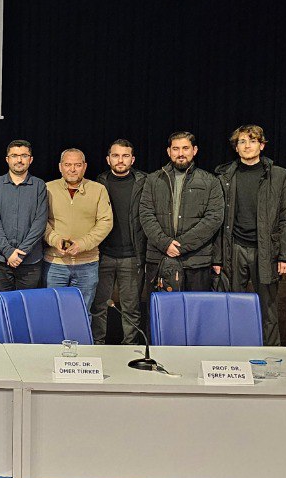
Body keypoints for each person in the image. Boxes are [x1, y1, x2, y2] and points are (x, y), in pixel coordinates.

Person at [214, 125, 286, 346]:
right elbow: (217, 220)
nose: (247, 145)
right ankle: (235, 353)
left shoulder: (278, 175)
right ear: (236, 147)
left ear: (261, 145)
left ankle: (271, 355)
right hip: (235, 247)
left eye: (252, 141)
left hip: (266, 250)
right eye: (242, 141)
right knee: (233, 304)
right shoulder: (224, 175)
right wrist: (218, 258)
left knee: (267, 307)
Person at [140, 131, 224, 293]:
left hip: (196, 260)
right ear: (168, 151)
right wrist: (165, 244)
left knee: (195, 313)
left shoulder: (211, 181)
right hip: (160, 258)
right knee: (162, 314)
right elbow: (146, 214)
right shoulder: (152, 180)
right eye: (175, 148)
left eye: (185, 148)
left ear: (195, 150)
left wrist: (181, 246)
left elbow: (214, 218)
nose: (180, 153)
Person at [92, 140, 147, 345]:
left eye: (125, 156)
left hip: (132, 256)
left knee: (130, 308)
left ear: (132, 159)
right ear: (108, 159)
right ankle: (98, 345)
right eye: (115, 155)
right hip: (103, 255)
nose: (120, 160)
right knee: (99, 306)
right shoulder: (98, 184)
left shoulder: (145, 183)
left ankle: (130, 347)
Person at [43, 149, 112, 310]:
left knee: (81, 312)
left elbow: (105, 222)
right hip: (55, 264)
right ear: (60, 167)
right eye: (67, 165)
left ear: (84, 167)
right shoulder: (47, 189)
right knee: (54, 311)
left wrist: (83, 243)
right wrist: (55, 240)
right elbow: (40, 221)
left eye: (77, 165)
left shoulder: (98, 190)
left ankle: (79, 337)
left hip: (87, 264)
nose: (72, 169)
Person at [0, 139, 48, 292]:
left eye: (24, 155)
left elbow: (40, 223)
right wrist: (8, 252)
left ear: (30, 159)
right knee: (3, 308)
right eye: (14, 155)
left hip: (31, 261)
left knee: (27, 308)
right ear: (7, 159)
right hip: (3, 261)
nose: (19, 160)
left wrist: (21, 253)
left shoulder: (39, 185)